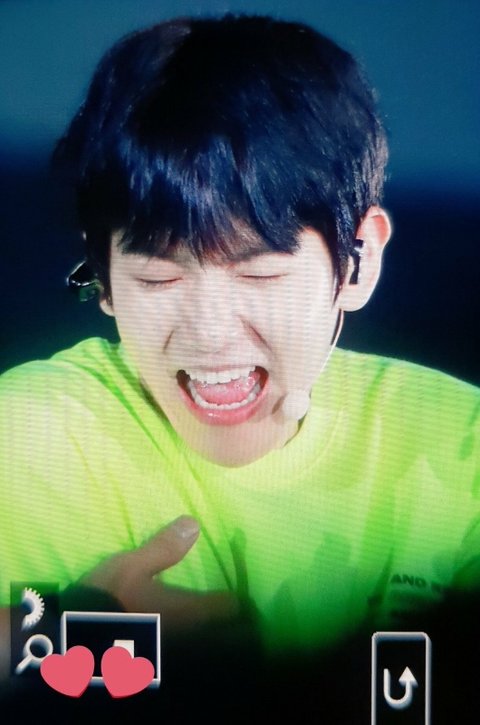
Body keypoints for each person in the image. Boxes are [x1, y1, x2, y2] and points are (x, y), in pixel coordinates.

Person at [0, 13, 479, 718]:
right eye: (159, 278)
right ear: (103, 278)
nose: (209, 334)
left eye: (260, 275)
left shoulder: (463, 447)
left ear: (359, 262)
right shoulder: (36, 432)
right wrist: (60, 633)